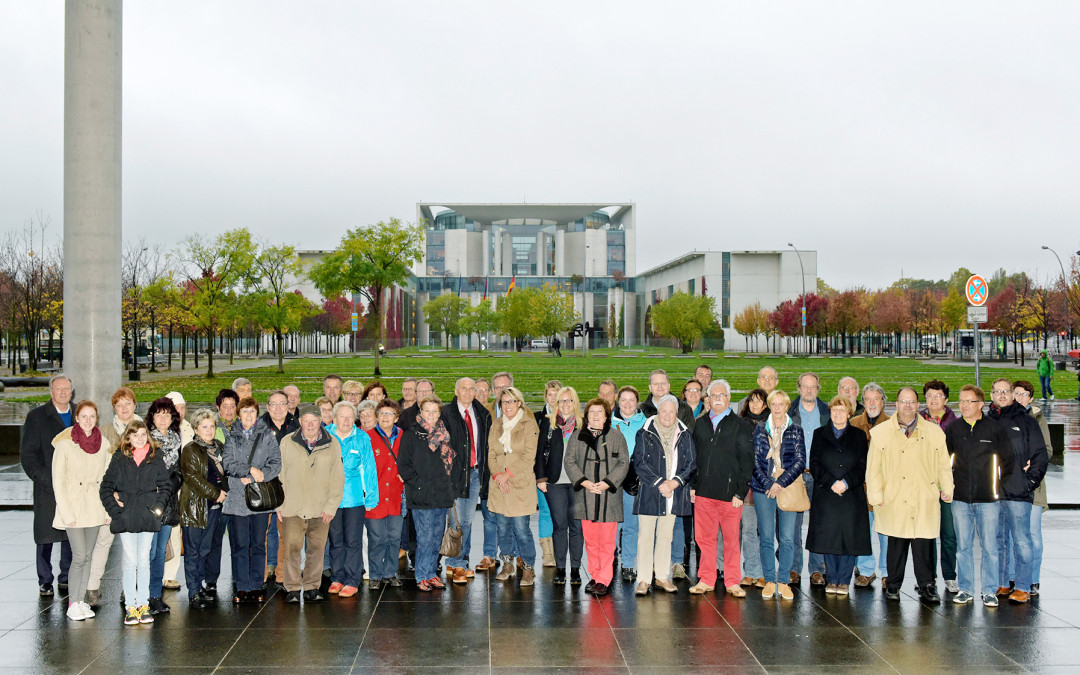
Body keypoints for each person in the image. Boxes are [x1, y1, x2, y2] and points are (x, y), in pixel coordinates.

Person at [867, 387, 953, 604]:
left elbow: (944, 465)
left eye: (912, 402)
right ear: (896, 404)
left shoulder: (934, 433)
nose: (907, 406)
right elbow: (873, 468)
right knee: (896, 544)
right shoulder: (881, 433)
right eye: (903, 401)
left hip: (923, 495)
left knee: (924, 545)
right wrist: (876, 495)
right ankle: (893, 586)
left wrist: (947, 488)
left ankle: (927, 585)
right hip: (894, 497)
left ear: (918, 405)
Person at [945, 385, 1014, 607]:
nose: (964, 405)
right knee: (963, 547)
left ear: (981, 404)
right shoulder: (953, 430)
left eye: (969, 401)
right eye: (961, 401)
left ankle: (989, 590)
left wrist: (996, 487)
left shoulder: (994, 429)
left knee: (990, 548)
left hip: (988, 499)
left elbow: (1008, 461)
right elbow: (944, 463)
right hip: (960, 499)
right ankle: (966, 589)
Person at [100, 420, 172, 626]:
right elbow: (105, 488)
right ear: (128, 437)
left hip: (148, 517)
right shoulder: (120, 458)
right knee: (131, 561)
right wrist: (116, 512)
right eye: (135, 434)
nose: (140, 438)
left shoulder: (155, 457)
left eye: (143, 434)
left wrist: (157, 510)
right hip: (127, 517)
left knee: (143, 559)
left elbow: (166, 486)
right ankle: (131, 605)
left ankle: (143, 604)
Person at [689, 380, 753, 597]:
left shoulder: (741, 426)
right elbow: (694, 458)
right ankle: (706, 579)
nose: (717, 398)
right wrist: (693, 486)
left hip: (730, 496)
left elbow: (747, 462)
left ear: (728, 398)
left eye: (722, 395)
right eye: (713, 395)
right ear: (708, 398)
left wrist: (740, 492)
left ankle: (733, 581)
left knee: (731, 539)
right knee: (704, 539)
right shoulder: (700, 424)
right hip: (704, 493)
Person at [987, 378, 1048, 604]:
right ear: (991, 395)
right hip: (993, 493)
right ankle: (1003, 582)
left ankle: (1023, 585)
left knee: (1022, 541)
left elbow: (1040, 454)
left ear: (1012, 394)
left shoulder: (1026, 420)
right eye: (997, 391)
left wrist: (1028, 482)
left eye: (1006, 391)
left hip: (1018, 492)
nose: (1002, 395)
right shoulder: (986, 420)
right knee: (999, 540)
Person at [278, 405, 345, 603]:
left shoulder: (332, 443)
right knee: (292, 549)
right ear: (300, 422)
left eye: (314, 420)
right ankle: (291, 588)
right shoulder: (287, 442)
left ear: (320, 421)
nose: (310, 424)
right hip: (293, 507)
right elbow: (279, 475)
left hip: (320, 508)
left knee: (316, 549)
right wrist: (280, 504)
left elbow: (337, 477)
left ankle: (311, 587)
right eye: (306, 420)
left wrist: (331, 506)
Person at [51, 400, 111, 621]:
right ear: (77, 418)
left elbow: (106, 479)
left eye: (92, 417)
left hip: (95, 506)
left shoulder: (103, 444)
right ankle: (73, 602)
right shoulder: (65, 445)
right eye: (84, 416)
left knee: (88, 555)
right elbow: (58, 481)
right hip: (73, 507)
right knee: (79, 555)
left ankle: (82, 600)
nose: (88, 421)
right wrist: (66, 513)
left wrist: (107, 510)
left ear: (97, 419)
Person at [805, 396, 871, 596]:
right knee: (829, 537)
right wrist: (831, 482)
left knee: (848, 538)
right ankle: (831, 578)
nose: (838, 414)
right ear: (830, 412)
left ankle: (843, 580)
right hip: (827, 494)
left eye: (842, 411)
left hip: (851, 494)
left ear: (849, 413)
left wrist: (846, 482)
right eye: (835, 410)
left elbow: (862, 465)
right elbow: (814, 464)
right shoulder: (819, 434)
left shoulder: (859, 435)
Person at [564, 398, 629, 596]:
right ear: (586, 415)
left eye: (599, 412)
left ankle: (604, 578)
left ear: (606, 415)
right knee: (591, 540)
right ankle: (594, 575)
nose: (595, 415)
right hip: (586, 494)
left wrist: (607, 482)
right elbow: (569, 461)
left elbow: (624, 463)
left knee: (607, 541)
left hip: (609, 495)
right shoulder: (577, 436)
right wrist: (584, 482)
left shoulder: (617, 436)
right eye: (592, 412)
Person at [633, 395, 697, 596]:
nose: (667, 415)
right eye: (663, 411)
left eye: (671, 411)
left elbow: (691, 464)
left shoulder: (685, 435)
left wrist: (675, 482)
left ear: (676, 413)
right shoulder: (644, 432)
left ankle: (662, 576)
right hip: (650, 492)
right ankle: (643, 579)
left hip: (673, 493)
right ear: (657, 412)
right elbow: (639, 463)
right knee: (645, 537)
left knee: (665, 537)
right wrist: (660, 483)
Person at [223, 397, 282, 604]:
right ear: (239, 414)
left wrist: (261, 475)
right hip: (238, 497)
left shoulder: (267, 435)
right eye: (245, 411)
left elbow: (276, 462)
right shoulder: (232, 436)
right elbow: (228, 463)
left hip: (260, 496)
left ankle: (256, 585)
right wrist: (249, 470)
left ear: (257, 414)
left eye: (252, 412)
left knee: (258, 543)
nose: (248, 415)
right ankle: (242, 586)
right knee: (240, 544)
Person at [87, 386, 141, 608]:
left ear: (135, 405)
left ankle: (127, 588)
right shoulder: (105, 431)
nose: (124, 408)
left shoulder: (142, 429)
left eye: (128, 403)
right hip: (110, 495)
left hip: (136, 496)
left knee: (132, 547)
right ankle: (92, 586)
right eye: (119, 405)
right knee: (103, 542)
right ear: (114, 408)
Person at [20, 374, 74, 598]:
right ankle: (45, 580)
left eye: (67, 389)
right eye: (58, 389)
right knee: (45, 535)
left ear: (72, 391)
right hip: (48, 487)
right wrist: (46, 478)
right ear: (51, 392)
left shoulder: (81, 414)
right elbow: (28, 455)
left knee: (71, 535)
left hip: (74, 487)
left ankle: (66, 577)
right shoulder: (37, 417)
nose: (63, 393)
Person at [751, 390, 805, 601]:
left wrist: (780, 483)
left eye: (781, 404)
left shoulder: (795, 430)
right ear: (769, 406)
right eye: (774, 404)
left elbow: (800, 461)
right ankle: (769, 580)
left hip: (788, 488)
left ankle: (783, 581)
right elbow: (755, 460)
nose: (777, 408)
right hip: (763, 488)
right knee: (765, 537)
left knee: (787, 538)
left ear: (787, 406)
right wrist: (768, 483)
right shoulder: (760, 429)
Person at [398, 396, 455, 591]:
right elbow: (403, 465)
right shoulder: (411, 434)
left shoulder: (445, 434)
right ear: (420, 413)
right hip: (421, 495)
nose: (430, 415)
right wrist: (418, 484)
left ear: (440, 413)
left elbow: (451, 464)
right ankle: (421, 574)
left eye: (434, 411)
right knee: (424, 537)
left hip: (441, 494)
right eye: (426, 411)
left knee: (436, 537)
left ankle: (431, 573)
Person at [487, 386, 540, 586]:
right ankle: (507, 564)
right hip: (499, 485)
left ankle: (528, 568)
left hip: (519, 485)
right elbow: (491, 453)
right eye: (505, 401)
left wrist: (507, 475)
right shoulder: (496, 425)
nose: (508, 405)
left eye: (512, 401)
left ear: (519, 402)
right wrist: (498, 476)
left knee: (521, 528)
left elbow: (529, 456)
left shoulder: (529, 424)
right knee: (502, 528)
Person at [442, 378, 493, 583]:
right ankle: (456, 564)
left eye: (472, 389)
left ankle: (460, 560)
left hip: (474, 474)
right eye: (463, 388)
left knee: (467, 521)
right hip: (454, 475)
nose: (468, 392)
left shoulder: (482, 414)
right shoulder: (446, 413)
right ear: (456, 391)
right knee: (456, 521)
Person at [326, 401, 379, 597]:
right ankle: (337, 577)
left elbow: (370, 468)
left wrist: (371, 497)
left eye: (350, 416)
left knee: (353, 541)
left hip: (354, 499)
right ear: (334, 418)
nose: (346, 420)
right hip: (330, 499)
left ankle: (352, 579)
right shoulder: (325, 436)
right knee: (335, 540)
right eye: (342, 416)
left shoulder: (362, 438)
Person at [178, 409, 228, 610]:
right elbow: (193, 478)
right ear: (196, 428)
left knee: (205, 549)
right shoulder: (190, 449)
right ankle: (193, 591)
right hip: (195, 507)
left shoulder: (220, 447)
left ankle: (199, 586)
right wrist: (216, 493)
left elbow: (228, 471)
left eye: (212, 426)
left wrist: (223, 491)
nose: (209, 430)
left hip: (214, 508)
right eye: (204, 426)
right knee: (193, 551)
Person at [536, 386, 585, 586]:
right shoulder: (549, 423)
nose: (565, 405)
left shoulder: (584, 424)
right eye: (562, 401)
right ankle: (560, 569)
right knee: (559, 527)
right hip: (555, 483)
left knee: (576, 527)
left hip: (578, 483)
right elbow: (539, 453)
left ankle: (575, 569)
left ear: (575, 403)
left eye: (569, 400)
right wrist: (541, 479)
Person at [1012, 380, 1053, 596]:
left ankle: (1033, 579)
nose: (1019, 397)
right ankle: (1013, 577)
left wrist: (1031, 464)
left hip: (1033, 485)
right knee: (1011, 536)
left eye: (1023, 394)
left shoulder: (1038, 419)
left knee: (1032, 535)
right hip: (1009, 485)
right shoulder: (1004, 418)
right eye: (1015, 393)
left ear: (1030, 398)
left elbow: (1047, 450)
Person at [788, 372, 829, 587]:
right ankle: (794, 569)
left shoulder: (827, 412)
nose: (809, 390)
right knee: (793, 525)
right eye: (805, 386)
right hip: (796, 475)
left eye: (813, 387)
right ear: (799, 388)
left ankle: (816, 569)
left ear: (818, 388)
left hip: (819, 475)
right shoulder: (790, 411)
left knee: (818, 524)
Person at [919, 379, 959, 594]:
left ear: (945, 398)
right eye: (929, 396)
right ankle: (928, 576)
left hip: (947, 485)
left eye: (938, 396)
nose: (933, 400)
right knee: (926, 534)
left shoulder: (955, 423)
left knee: (949, 533)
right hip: (924, 486)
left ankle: (950, 575)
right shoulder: (917, 421)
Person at [145, 397, 184, 615]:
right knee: (148, 552)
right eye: (158, 414)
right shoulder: (144, 438)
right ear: (152, 417)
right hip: (150, 503)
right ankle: (142, 595)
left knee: (160, 552)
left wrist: (170, 486)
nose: (162, 418)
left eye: (167, 414)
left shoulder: (175, 440)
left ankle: (155, 596)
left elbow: (179, 471)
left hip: (168, 503)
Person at [850, 383, 891, 589]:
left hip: (885, 490)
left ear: (882, 401)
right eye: (868, 399)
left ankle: (887, 572)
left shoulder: (893, 424)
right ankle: (866, 571)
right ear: (863, 402)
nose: (872, 403)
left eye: (876, 399)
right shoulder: (854, 423)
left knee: (886, 534)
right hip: (860, 489)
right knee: (862, 532)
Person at [261, 390, 299, 588]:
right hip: (265, 486)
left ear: (288, 405)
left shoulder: (296, 426)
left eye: (282, 403)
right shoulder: (259, 426)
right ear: (267, 407)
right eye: (273, 404)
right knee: (262, 531)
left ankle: (282, 575)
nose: (278, 408)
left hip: (289, 487)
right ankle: (262, 572)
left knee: (286, 533)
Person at [366, 399, 405, 588]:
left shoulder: (403, 437)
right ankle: (375, 574)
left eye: (389, 414)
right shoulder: (367, 437)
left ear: (396, 418)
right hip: (375, 497)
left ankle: (390, 572)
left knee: (394, 537)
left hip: (397, 496)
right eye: (381, 413)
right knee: (377, 538)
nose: (385, 417)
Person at [611, 385, 646, 583]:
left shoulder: (646, 423)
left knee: (631, 526)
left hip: (634, 481)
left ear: (637, 402)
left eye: (631, 400)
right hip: (613, 481)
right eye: (623, 399)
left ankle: (628, 564)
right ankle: (609, 560)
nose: (627, 403)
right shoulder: (609, 422)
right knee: (614, 525)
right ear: (618, 401)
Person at [160, 392, 194, 592]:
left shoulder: (190, 429)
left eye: (182, 408)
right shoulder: (160, 431)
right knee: (166, 531)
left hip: (187, 489)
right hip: (167, 489)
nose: (179, 412)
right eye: (175, 408)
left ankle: (177, 574)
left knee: (181, 532)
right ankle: (163, 574)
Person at [737, 388, 768, 589]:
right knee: (748, 530)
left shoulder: (773, 423)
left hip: (766, 485)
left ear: (766, 404)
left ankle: (766, 572)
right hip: (747, 484)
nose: (755, 405)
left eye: (759, 401)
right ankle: (751, 572)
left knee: (765, 531)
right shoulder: (740, 425)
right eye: (752, 401)